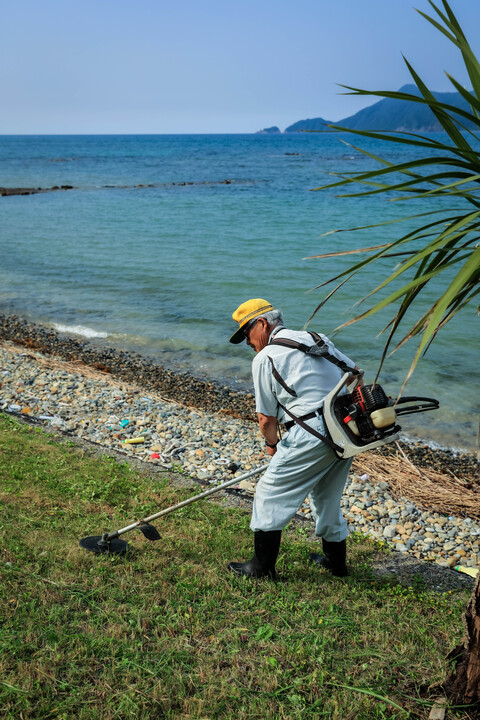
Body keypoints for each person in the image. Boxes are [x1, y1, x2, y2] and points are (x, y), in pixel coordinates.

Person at [228, 298, 359, 580]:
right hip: (346, 430)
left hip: (311, 433)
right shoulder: (315, 337)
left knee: (269, 493)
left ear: (262, 324)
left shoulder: (265, 358)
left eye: (247, 334)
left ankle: (261, 569)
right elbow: (354, 374)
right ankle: (336, 565)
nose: (248, 343)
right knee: (327, 498)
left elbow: (266, 419)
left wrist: (272, 446)